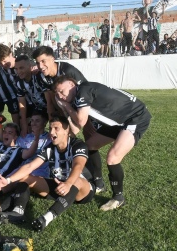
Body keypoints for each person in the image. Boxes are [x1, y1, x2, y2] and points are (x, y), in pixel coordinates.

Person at [53, 76, 152, 211]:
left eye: (61, 91)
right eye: (57, 94)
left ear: (71, 84)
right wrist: (66, 108)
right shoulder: (75, 99)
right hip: (119, 122)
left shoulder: (83, 90)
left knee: (112, 158)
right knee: (89, 146)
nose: (60, 96)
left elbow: (81, 121)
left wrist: (66, 106)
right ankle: (99, 183)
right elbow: (75, 129)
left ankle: (118, 197)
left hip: (135, 117)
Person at [0, 116, 95, 230]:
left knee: (76, 180)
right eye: (51, 128)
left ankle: (46, 218)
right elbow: (30, 166)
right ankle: (16, 211)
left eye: (56, 128)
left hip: (81, 190)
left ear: (67, 130)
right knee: (26, 177)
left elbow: (78, 166)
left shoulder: (78, 145)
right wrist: (8, 180)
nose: (52, 132)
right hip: (58, 186)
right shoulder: (50, 148)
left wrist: (68, 183)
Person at [31, 46, 86, 120]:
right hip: (65, 108)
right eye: (38, 63)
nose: (40, 66)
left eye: (43, 61)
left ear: (53, 59)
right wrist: (54, 121)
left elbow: (85, 91)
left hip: (85, 105)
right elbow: (50, 101)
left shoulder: (67, 71)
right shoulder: (40, 76)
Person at [14, 55, 47, 137]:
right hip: (38, 108)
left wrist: (52, 115)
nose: (18, 71)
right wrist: (24, 125)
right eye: (16, 69)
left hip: (51, 106)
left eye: (21, 68)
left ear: (30, 66)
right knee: (29, 127)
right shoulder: (19, 82)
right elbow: (22, 104)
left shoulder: (39, 76)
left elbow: (50, 99)